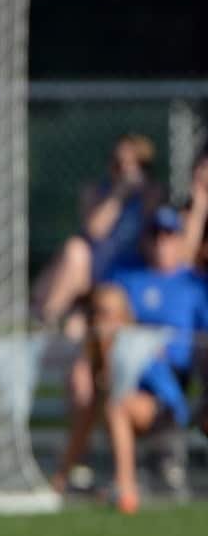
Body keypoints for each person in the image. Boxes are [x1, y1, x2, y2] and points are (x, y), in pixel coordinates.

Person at [55, 208, 207, 511]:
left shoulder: (193, 285)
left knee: (118, 405)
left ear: (179, 240)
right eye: (155, 234)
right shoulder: (128, 278)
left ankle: (124, 488)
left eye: (168, 235)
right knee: (90, 387)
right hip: (117, 376)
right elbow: (103, 316)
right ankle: (63, 479)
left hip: (164, 391)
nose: (161, 242)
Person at [34, 133, 163, 336]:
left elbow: (152, 234)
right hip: (95, 269)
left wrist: (139, 191)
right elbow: (95, 230)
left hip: (130, 269)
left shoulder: (153, 192)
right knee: (75, 250)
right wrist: (119, 194)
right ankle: (47, 323)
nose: (124, 170)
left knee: (80, 326)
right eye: (118, 163)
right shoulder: (95, 191)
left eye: (132, 164)